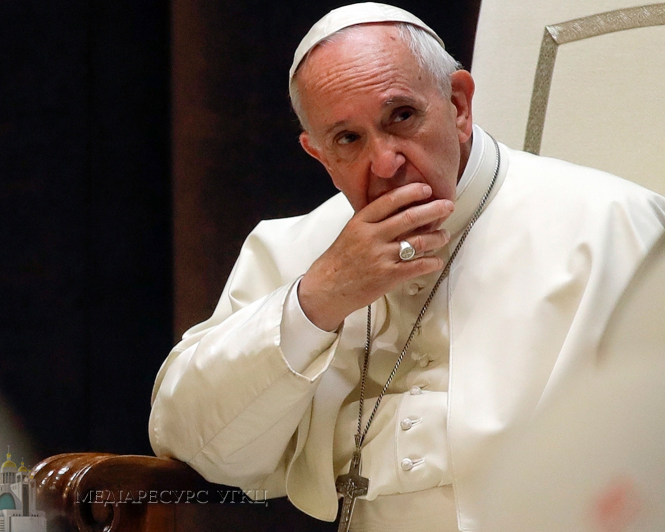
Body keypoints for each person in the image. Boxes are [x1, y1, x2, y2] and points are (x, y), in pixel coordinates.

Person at [149, 3, 665, 531]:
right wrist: (319, 299)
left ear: (459, 106)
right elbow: (195, 445)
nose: (385, 162)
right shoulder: (293, 248)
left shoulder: (610, 223)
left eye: (401, 117)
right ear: (319, 155)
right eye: (348, 139)